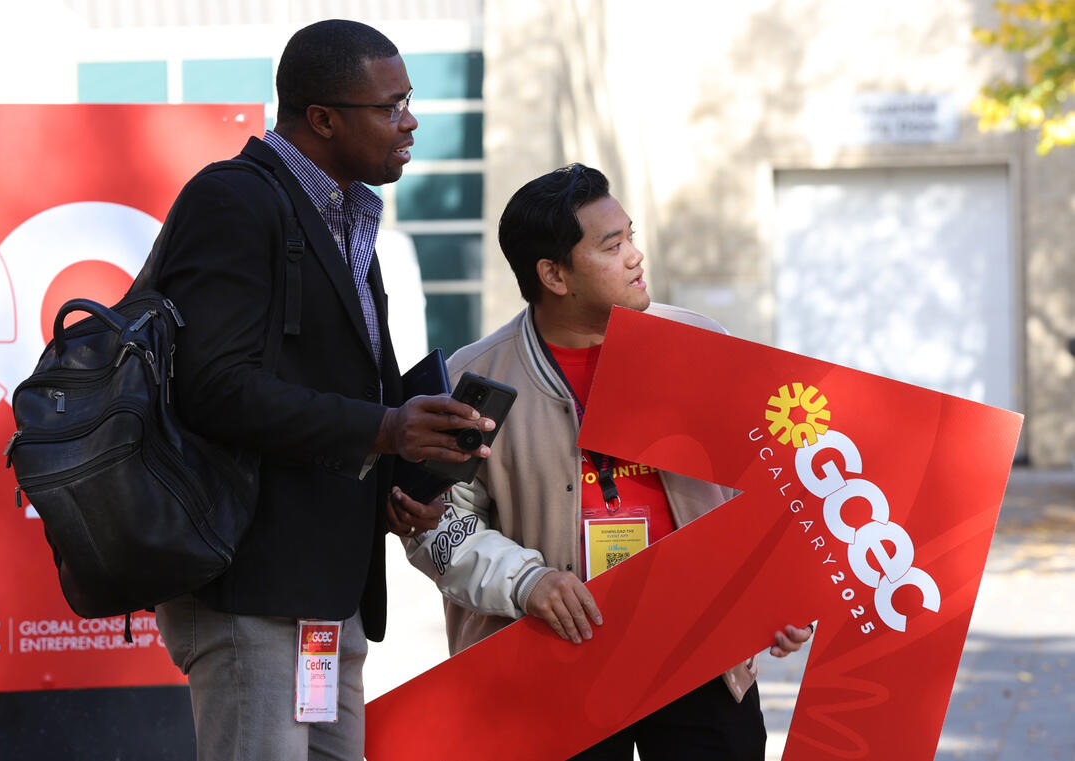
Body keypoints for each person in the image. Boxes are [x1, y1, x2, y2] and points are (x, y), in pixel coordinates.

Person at [150, 19, 496, 761]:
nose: (410, 121)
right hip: (252, 585)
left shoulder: (348, 212)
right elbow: (213, 388)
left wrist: (401, 480)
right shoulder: (233, 201)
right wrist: (385, 429)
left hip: (328, 586)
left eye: (408, 101)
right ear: (323, 118)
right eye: (391, 106)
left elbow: (340, 384)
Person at [403, 164, 813, 760]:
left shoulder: (700, 347)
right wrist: (527, 582)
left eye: (631, 237)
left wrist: (777, 593)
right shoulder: (473, 380)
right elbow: (434, 526)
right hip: (550, 664)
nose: (635, 257)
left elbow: (772, 485)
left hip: (700, 654)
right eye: (612, 245)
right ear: (554, 275)